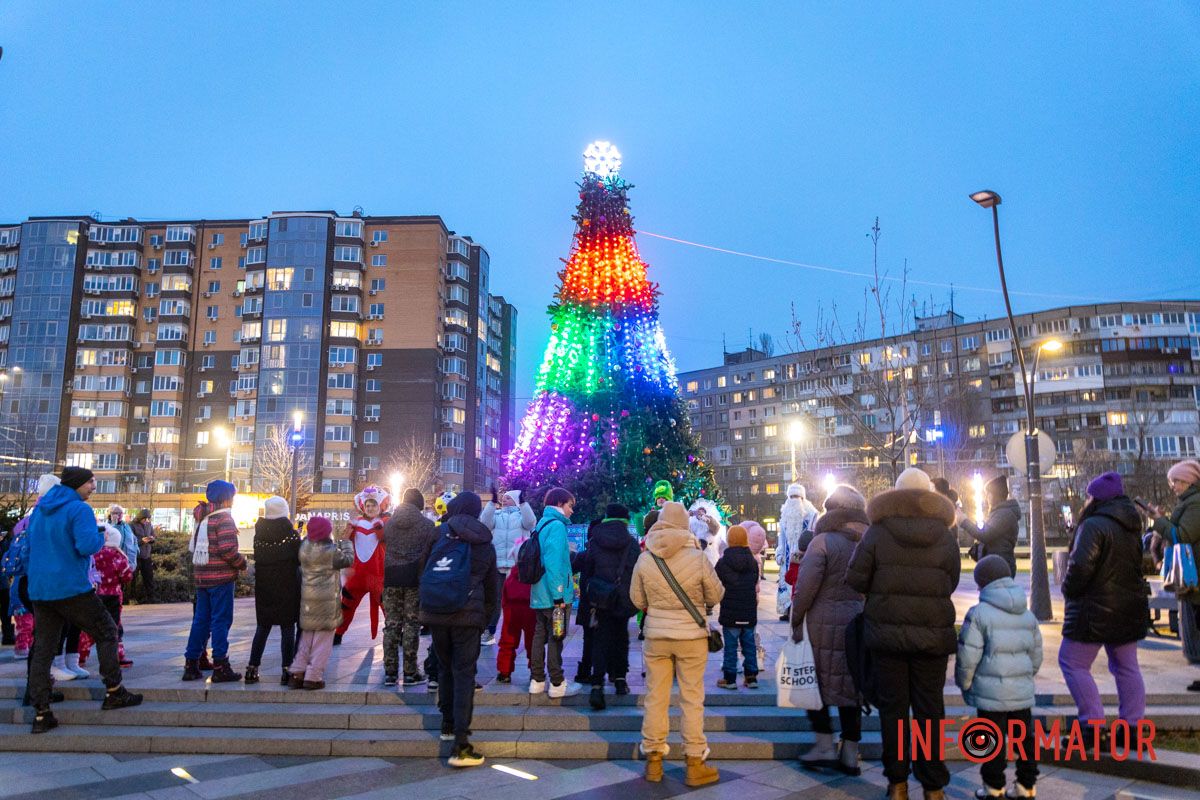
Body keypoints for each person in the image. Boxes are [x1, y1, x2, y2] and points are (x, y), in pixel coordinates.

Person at [845, 467, 960, 800]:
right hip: (932, 636)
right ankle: (933, 786)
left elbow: (855, 578)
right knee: (930, 710)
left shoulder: (877, 532)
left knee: (893, 711)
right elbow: (950, 581)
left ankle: (897, 784)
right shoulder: (943, 534)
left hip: (887, 636)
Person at [26, 467, 143, 733]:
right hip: (70, 586)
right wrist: (99, 536)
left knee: (44, 648)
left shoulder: (41, 510)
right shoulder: (78, 509)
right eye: (91, 482)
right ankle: (114, 690)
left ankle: (41, 712)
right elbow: (86, 546)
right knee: (106, 630)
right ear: (78, 484)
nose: (93, 486)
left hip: (41, 588)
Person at [630, 500, 723, 786]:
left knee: (655, 697)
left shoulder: (646, 557)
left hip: (657, 637)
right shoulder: (697, 556)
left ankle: (654, 762)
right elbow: (716, 595)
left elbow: (637, 599)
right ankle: (695, 763)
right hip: (691, 638)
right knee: (692, 698)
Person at [1059, 471, 1148, 741]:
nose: (1086, 500)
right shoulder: (1131, 525)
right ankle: (1133, 729)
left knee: (1072, 662)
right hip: (1127, 608)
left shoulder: (1094, 525)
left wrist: (1067, 588)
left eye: (1088, 495)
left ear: (1096, 498)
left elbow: (1080, 567)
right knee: (1127, 666)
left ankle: (1092, 726)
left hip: (1094, 610)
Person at [790, 484, 869, 775]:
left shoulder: (822, 541)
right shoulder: (870, 541)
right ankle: (850, 752)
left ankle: (824, 745)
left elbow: (806, 587)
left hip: (822, 624)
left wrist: (796, 619)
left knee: (815, 684)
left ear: (832, 509)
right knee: (851, 686)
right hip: (858, 622)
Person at [419, 492, 499, 768]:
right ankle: (461, 745)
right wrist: (483, 618)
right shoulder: (485, 540)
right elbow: (492, 589)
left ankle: (447, 724)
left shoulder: (439, 533)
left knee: (444, 667)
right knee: (465, 674)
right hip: (469, 616)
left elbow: (424, 569)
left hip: (438, 612)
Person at [956, 556, 1042, 800]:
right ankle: (1027, 786)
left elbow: (968, 656)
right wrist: (1025, 678)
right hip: (1021, 693)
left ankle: (994, 788)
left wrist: (965, 683)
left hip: (990, 694)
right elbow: (1036, 655)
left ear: (982, 584)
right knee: (1024, 738)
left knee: (990, 740)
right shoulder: (1027, 615)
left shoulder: (979, 614)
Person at [183, 480, 247, 682]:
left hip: (202, 577)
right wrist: (242, 563)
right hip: (220, 578)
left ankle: (191, 663)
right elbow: (228, 549)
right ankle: (221, 664)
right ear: (226, 497)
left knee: (201, 621)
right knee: (221, 620)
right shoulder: (223, 518)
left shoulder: (202, 517)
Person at [577, 504, 639, 710]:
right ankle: (620, 680)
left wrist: (589, 596)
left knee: (600, 639)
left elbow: (588, 569)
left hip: (600, 598)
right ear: (625, 520)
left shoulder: (595, 541)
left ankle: (596, 686)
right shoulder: (631, 543)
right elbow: (636, 572)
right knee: (621, 638)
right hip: (622, 598)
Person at [291, 516, 354, 690]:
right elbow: (348, 559)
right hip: (325, 604)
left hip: (308, 601)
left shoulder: (304, 548)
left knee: (306, 639)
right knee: (323, 642)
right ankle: (313, 676)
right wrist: (345, 541)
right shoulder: (330, 551)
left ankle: (297, 673)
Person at [529, 487, 581, 698]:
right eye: (570, 506)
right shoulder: (557, 526)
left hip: (539, 593)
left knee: (539, 635)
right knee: (556, 637)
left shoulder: (541, 524)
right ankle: (557, 683)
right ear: (560, 504)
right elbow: (554, 564)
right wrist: (559, 595)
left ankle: (537, 680)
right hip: (554, 595)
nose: (571, 511)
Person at [382, 487, 436, 686]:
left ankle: (390, 672)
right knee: (412, 624)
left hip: (391, 577)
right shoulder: (427, 525)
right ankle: (411, 672)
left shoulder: (389, 525)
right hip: (414, 577)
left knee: (392, 624)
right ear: (419, 505)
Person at [246, 496, 301, 686]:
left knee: (263, 627)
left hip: (265, 587)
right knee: (288, 628)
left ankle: (252, 668)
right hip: (287, 586)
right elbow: (298, 558)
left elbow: (259, 557)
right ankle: (287, 669)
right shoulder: (291, 534)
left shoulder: (259, 534)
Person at [480, 488, 536, 646]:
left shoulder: (521, 515)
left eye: (508, 498)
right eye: (503, 498)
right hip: (497, 565)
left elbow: (531, 523)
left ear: (516, 500)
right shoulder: (496, 515)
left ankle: (523, 630)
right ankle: (489, 632)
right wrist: (491, 503)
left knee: (518, 600)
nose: (504, 500)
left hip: (516, 566)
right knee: (494, 600)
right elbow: (484, 524)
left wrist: (524, 504)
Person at [336, 486, 390, 646]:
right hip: (357, 576)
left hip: (377, 576)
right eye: (368, 505)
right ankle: (338, 633)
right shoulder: (356, 522)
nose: (371, 508)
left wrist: (378, 526)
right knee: (346, 606)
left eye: (374, 505)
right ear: (363, 506)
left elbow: (384, 538)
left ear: (380, 506)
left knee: (387, 607)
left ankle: (396, 633)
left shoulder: (385, 522)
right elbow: (345, 541)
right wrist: (348, 531)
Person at [78, 524, 135, 669]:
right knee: (114, 626)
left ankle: (80, 654)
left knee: (92, 625)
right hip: (113, 596)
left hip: (95, 595)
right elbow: (127, 575)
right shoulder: (118, 557)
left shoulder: (94, 555)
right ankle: (117, 655)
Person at [1167, 460, 1200, 691]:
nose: (1174, 486)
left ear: (1189, 481)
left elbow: (1183, 534)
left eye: (1177, 481)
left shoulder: (1195, 504)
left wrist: (1160, 523)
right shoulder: (1188, 503)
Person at [715, 524, 759, 690]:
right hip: (748, 611)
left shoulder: (723, 562)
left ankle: (730, 678)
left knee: (731, 647)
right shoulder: (753, 562)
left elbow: (716, 583)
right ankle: (751, 677)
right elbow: (754, 582)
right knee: (749, 645)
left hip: (730, 611)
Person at [957, 476, 1021, 576]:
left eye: (988, 494)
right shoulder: (999, 513)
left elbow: (985, 535)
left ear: (996, 495)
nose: (987, 497)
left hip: (1000, 566)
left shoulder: (1004, 514)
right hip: (996, 564)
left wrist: (964, 521)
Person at [776, 483, 819, 621]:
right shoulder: (785, 515)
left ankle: (801, 611)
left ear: (803, 498)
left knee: (801, 584)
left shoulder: (811, 515)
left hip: (804, 556)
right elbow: (781, 537)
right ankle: (788, 610)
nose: (794, 500)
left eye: (797, 496)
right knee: (787, 581)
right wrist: (780, 553)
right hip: (787, 557)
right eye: (792, 496)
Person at [496, 536, 536, 684]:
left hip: (511, 612)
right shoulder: (535, 574)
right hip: (531, 610)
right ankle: (535, 670)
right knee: (533, 642)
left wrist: (505, 609)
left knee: (508, 640)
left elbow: (504, 598)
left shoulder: (511, 576)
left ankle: (504, 671)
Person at [130, 509, 155, 602]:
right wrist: (141, 541)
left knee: (149, 577)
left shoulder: (149, 525)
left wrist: (152, 539)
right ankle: (132, 598)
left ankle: (151, 598)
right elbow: (130, 539)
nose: (147, 521)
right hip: (136, 556)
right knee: (133, 579)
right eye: (145, 519)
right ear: (140, 518)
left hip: (146, 556)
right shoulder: (131, 525)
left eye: (148, 519)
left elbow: (153, 535)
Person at [106, 505, 140, 570]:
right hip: (116, 563)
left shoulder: (126, 525)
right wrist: (114, 524)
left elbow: (134, 538)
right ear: (110, 514)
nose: (119, 514)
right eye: (116, 512)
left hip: (130, 560)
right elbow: (108, 542)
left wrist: (136, 549)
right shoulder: (107, 526)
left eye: (121, 512)